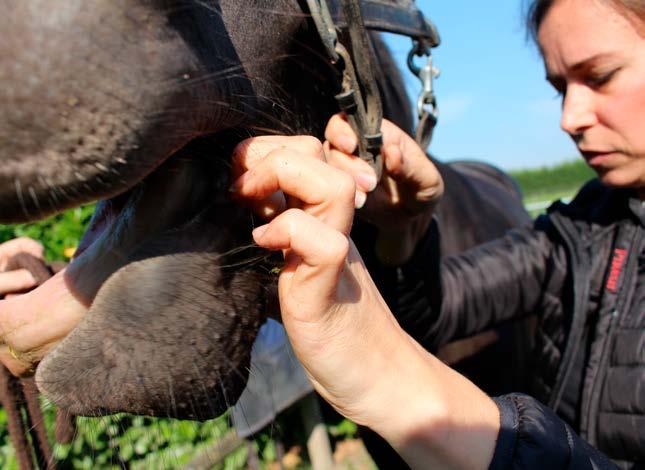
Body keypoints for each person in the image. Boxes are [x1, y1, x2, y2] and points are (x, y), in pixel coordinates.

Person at [230, 0, 644, 467]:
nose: (571, 118)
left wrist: (395, 384)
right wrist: (404, 232)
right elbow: (443, 311)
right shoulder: (579, 229)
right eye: (560, 88)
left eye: (601, 75)